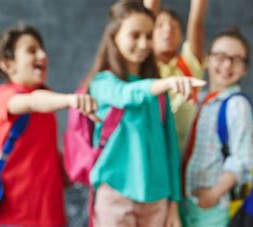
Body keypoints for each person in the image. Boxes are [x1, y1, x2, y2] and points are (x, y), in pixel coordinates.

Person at [82, 2, 204, 226]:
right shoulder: (103, 83)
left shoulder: (158, 90)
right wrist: (165, 83)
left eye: (148, 36)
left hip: (157, 199)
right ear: (114, 36)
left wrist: (174, 203)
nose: (143, 43)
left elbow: (170, 148)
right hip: (115, 195)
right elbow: (126, 95)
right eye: (134, 35)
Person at [0, 24, 97, 225]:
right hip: (16, 218)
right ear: (7, 65)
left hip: (51, 216)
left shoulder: (46, 105)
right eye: (31, 50)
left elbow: (46, 154)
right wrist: (70, 100)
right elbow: (32, 101)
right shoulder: (4, 96)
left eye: (42, 49)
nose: (42, 55)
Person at [181, 27, 253, 227]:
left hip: (209, 207)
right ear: (207, 59)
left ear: (245, 68)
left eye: (236, 59)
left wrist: (213, 194)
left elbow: (242, 159)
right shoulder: (200, 98)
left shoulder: (237, 105)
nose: (227, 64)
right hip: (184, 200)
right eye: (220, 56)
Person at [144, 0, 208, 155]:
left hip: (183, 156)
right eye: (160, 26)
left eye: (174, 27)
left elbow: (196, 22)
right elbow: (145, 15)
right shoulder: (143, 65)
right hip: (149, 151)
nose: (167, 30)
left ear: (181, 36)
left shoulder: (188, 65)